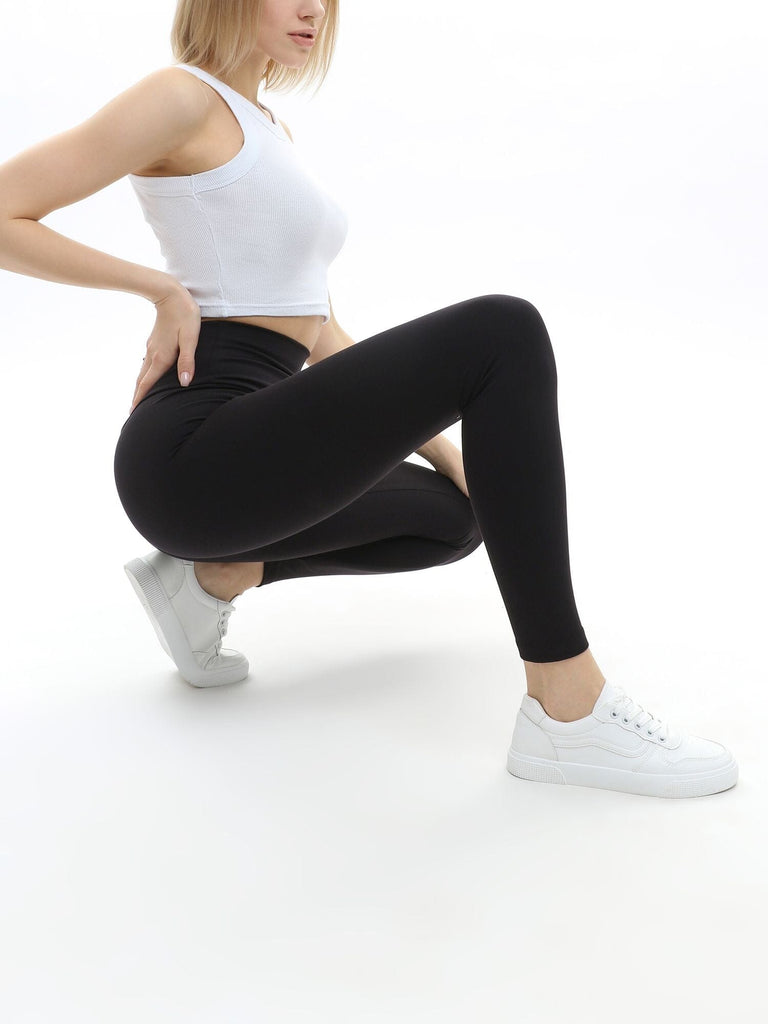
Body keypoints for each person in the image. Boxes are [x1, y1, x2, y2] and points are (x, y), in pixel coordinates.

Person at [0, 0, 738, 799]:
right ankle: (569, 706)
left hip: (253, 443)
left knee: (459, 516)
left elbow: (316, 329)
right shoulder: (180, 96)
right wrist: (159, 290)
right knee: (504, 331)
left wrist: (450, 455)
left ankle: (215, 577)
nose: (313, 8)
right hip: (192, 451)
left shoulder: (268, 129)